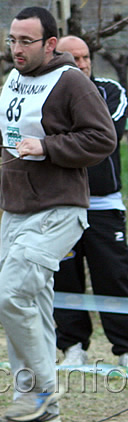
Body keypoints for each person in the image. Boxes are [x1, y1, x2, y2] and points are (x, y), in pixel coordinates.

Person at [0, 7, 116, 422]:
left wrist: (47, 147)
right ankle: (34, 404)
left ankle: (44, 389)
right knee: (30, 304)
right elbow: (4, 133)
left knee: (9, 298)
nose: (16, 48)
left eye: (25, 41)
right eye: (12, 39)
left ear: (50, 44)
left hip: (58, 209)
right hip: (15, 209)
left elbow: (102, 137)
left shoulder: (71, 83)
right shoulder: (17, 81)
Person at [52, 36, 128, 367]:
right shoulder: (46, 91)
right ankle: (72, 349)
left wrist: (57, 141)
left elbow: (102, 135)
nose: (82, 65)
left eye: (86, 58)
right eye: (74, 59)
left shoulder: (111, 91)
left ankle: (124, 349)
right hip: (60, 203)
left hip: (103, 205)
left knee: (114, 277)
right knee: (64, 278)